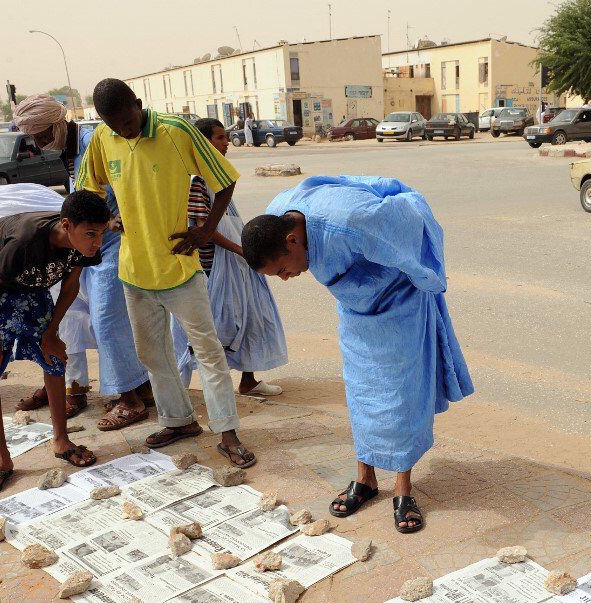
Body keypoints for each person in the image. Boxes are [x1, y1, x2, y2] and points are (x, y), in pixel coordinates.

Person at [244, 176, 474, 533]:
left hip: (398, 301)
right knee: (362, 392)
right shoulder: (278, 213)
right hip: (354, 307)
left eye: (282, 270)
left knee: (400, 395)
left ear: (292, 241)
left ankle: (402, 487)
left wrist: (425, 279)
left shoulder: (353, 221)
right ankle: (365, 478)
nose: (286, 278)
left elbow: (404, 218)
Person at [76, 78, 253, 467]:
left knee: (207, 352)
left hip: (179, 267)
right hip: (134, 271)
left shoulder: (176, 131)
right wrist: (108, 220)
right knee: (152, 354)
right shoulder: (103, 139)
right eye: (114, 124)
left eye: (127, 121)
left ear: (138, 104)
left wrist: (207, 229)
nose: (124, 130)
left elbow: (224, 181)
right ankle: (178, 421)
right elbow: (86, 192)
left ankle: (227, 432)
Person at [11, 94, 152, 431]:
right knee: (79, 317)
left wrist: (114, 222)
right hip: (88, 246)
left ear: (59, 123)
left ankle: (130, 400)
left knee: (106, 320)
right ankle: (135, 386)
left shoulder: (93, 142)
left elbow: (125, 189)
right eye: (35, 137)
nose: (40, 142)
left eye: (44, 134)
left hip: (113, 242)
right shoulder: (69, 149)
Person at [0, 190, 108, 495]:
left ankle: (61, 439)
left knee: (53, 358)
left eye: (102, 233)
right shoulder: (29, 241)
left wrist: (51, 332)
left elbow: (70, 286)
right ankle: (2, 459)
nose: (97, 241)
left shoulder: (84, 244)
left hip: (29, 285)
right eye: (91, 233)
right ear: (66, 225)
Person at [171, 118, 287, 400]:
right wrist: (240, 250)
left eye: (226, 137)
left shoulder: (218, 177)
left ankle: (248, 380)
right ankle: (187, 389)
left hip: (234, 264)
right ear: (203, 143)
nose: (226, 143)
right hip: (214, 268)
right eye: (220, 138)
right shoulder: (197, 181)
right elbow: (202, 230)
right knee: (216, 327)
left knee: (252, 316)